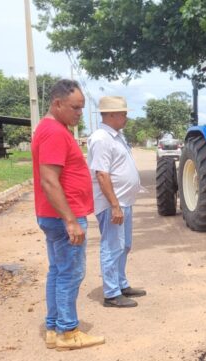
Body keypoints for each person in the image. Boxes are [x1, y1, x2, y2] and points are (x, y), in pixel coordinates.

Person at [31, 79, 105, 350]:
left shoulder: (52, 128)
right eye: (75, 108)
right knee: (70, 274)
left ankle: (53, 327)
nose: (79, 113)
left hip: (54, 215)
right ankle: (67, 332)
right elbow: (49, 181)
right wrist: (71, 221)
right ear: (57, 103)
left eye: (81, 108)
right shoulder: (53, 132)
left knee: (58, 271)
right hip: (64, 217)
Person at [87, 96, 144, 308]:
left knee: (124, 245)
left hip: (123, 202)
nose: (126, 117)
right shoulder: (101, 139)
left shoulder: (116, 136)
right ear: (111, 114)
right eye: (123, 114)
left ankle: (121, 284)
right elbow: (102, 174)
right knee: (112, 247)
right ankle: (111, 293)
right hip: (113, 204)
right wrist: (114, 205)